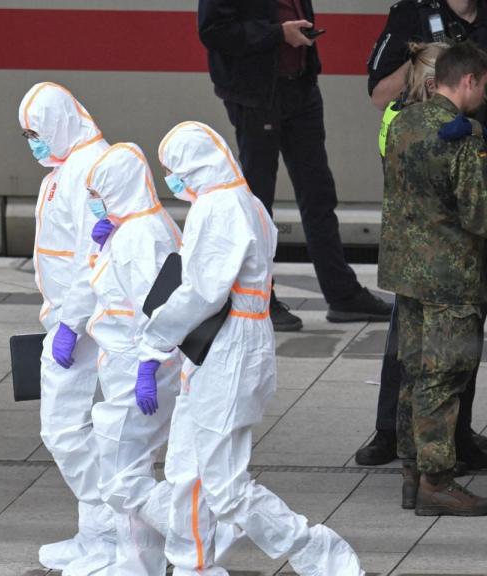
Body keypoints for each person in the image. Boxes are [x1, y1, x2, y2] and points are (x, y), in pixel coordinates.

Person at [135, 121, 364, 575]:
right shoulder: (244, 201)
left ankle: (321, 556)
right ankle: (191, 566)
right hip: (224, 347)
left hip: (228, 351)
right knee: (187, 472)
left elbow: (202, 293)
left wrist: (153, 342)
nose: (171, 180)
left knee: (224, 486)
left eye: (173, 169)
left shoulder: (220, 207)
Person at [362, 0, 487, 470]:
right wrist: (433, 66)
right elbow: (380, 94)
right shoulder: (412, 14)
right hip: (437, 201)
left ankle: (449, 436)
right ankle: (398, 438)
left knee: (465, 329)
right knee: (415, 334)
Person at [197, 0, 392, 333]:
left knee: (318, 194)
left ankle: (341, 293)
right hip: (256, 96)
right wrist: (277, 34)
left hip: (300, 88)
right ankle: (260, 298)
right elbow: (214, 32)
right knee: (258, 202)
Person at [380, 41, 487, 515]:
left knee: (412, 372)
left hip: (405, 273)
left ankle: (411, 473)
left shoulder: (403, 121)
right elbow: (479, 215)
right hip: (450, 276)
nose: (486, 94)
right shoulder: (463, 136)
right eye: (485, 85)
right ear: (468, 81)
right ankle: (437, 480)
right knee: (443, 377)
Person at [18, 82, 116, 575]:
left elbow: (90, 258)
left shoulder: (86, 171)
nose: (33, 143)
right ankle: (97, 531)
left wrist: (70, 324)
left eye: (36, 132)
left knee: (63, 429)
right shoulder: (67, 167)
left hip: (80, 323)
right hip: (69, 319)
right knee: (73, 428)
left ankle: (113, 530)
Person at [83, 143, 184, 576]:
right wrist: (102, 248)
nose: (94, 202)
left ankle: (195, 527)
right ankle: (137, 564)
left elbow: (154, 308)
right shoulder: (138, 226)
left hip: (136, 366)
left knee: (121, 478)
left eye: (97, 192)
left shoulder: (140, 238)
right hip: (130, 364)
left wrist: (147, 365)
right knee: (127, 468)